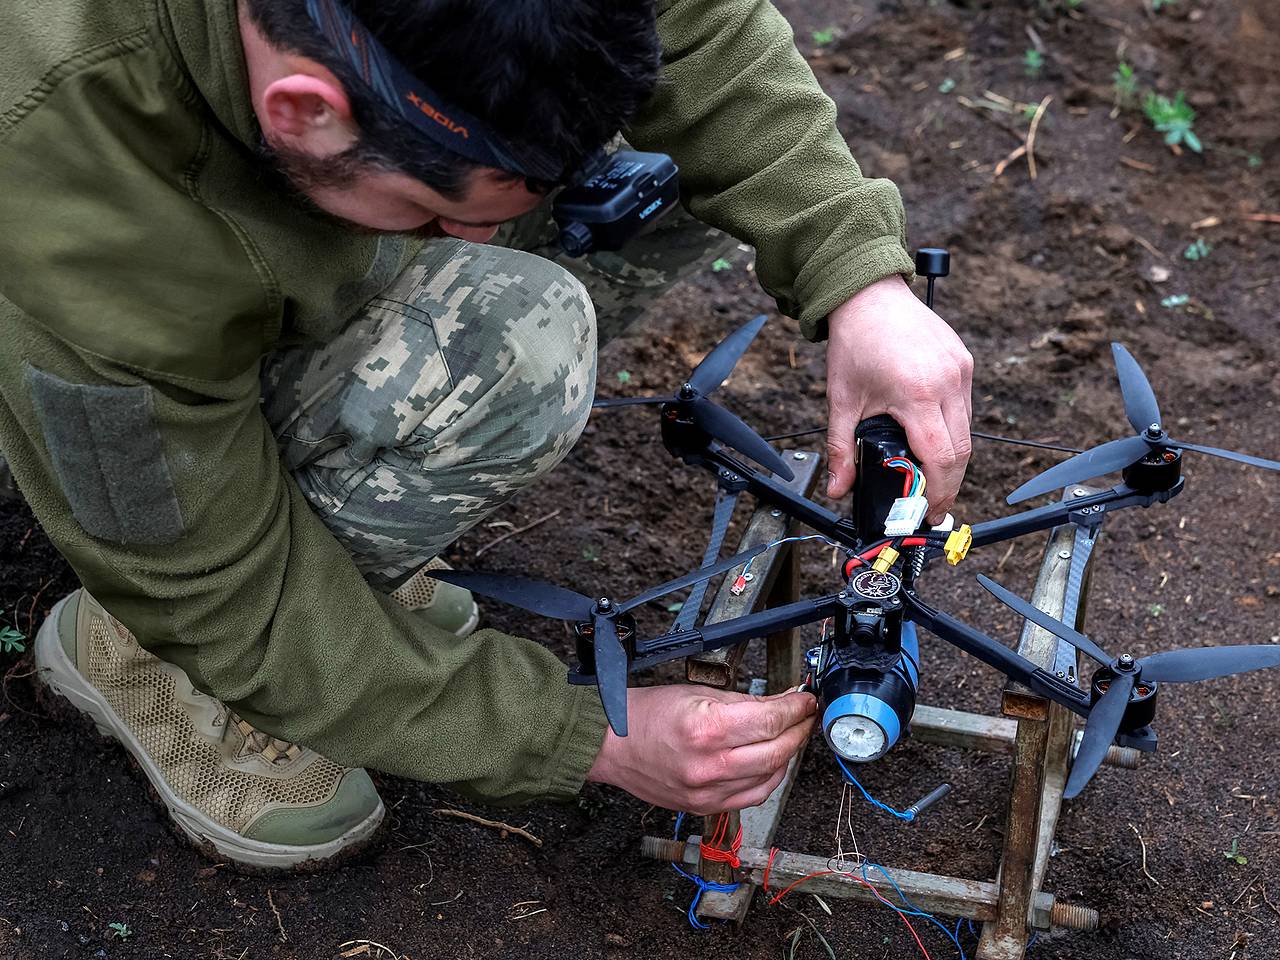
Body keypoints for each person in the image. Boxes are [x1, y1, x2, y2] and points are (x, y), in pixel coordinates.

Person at [0, 0, 973, 869]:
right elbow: (207, 583)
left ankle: (339, 565)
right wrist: (577, 735)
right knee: (517, 343)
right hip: (89, 318)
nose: (467, 250)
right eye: (429, 219)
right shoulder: (83, 192)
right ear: (304, 111)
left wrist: (858, 277)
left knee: (647, 185)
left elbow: (693, 20)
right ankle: (131, 652)